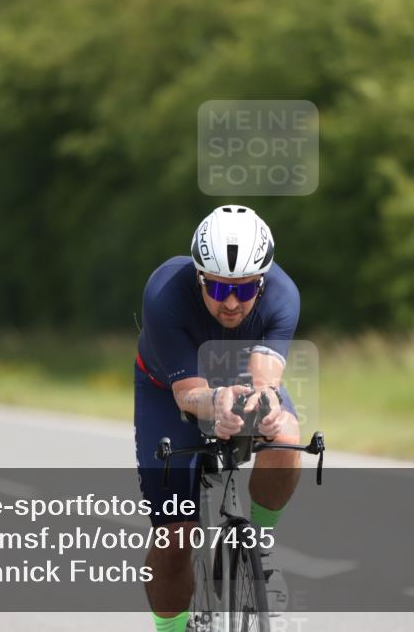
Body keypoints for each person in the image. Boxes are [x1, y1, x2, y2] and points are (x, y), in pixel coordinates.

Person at [134, 205, 302, 632]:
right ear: (198, 276)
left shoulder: (284, 294)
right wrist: (216, 403)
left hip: (240, 377)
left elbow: (266, 378)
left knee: (285, 435)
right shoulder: (165, 292)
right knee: (174, 539)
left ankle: (262, 549)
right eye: (219, 287)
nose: (231, 303)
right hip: (167, 389)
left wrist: (264, 405)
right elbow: (188, 394)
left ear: (262, 283)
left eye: (245, 291)